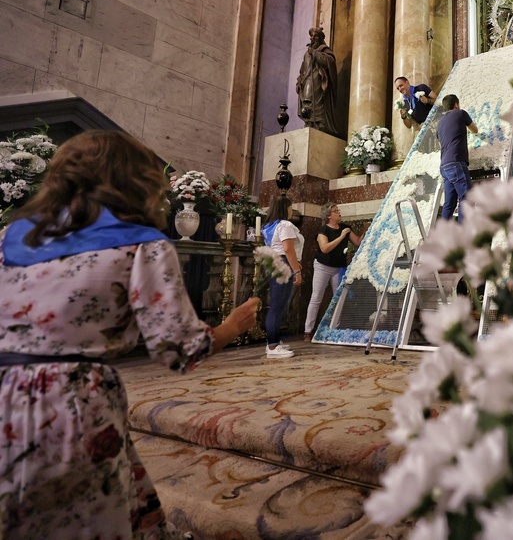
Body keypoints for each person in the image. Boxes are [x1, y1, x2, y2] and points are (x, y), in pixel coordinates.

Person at [0, 130, 259, 539]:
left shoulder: (10, 238)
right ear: (134, 181)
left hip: (5, 392)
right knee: (81, 518)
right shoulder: (141, 244)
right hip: (71, 402)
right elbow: (177, 348)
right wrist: (232, 327)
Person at [304, 203, 361, 338]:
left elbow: (358, 242)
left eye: (338, 210)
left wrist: (368, 230)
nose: (339, 213)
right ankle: (308, 330)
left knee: (338, 297)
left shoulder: (346, 228)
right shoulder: (323, 231)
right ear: (329, 216)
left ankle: (336, 327)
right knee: (316, 297)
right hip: (323, 266)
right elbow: (325, 248)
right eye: (335, 211)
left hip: (338, 267)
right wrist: (341, 237)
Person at [260, 195, 303, 358]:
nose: (292, 209)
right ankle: (272, 347)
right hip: (283, 264)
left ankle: (274, 341)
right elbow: (288, 249)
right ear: (285, 208)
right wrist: (296, 271)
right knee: (277, 306)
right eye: (290, 206)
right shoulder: (285, 224)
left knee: (277, 305)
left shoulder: (269, 225)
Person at [436, 94, 479, 223]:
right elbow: (475, 130)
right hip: (456, 163)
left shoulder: (439, 124)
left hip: (444, 166)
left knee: (449, 203)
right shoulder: (460, 113)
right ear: (456, 105)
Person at [296, 27, 339, 136]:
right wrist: (299, 82)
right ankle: (309, 122)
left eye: (315, 36)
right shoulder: (307, 53)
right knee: (307, 100)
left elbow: (329, 62)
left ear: (320, 38)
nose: (312, 38)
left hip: (317, 80)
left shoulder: (324, 49)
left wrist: (315, 53)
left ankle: (320, 123)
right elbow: (303, 70)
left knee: (315, 101)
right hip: (306, 80)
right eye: (311, 36)